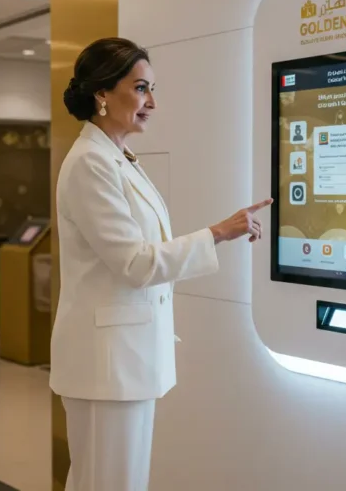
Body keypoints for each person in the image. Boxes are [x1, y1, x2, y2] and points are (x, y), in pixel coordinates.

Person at [52, 37, 271, 490]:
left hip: (123, 363)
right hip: (105, 367)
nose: (151, 101)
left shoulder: (118, 159)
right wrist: (218, 232)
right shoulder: (91, 164)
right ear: (102, 94)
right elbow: (135, 263)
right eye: (140, 88)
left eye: (152, 88)